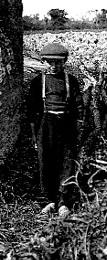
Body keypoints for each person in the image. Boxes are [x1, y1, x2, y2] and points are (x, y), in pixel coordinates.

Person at [28, 42, 83, 218]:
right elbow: (32, 109)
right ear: (44, 62)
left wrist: (79, 127)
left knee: (66, 163)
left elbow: (79, 106)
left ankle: (63, 202)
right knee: (46, 162)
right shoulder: (39, 82)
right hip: (45, 124)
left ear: (65, 61)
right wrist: (33, 133)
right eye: (50, 62)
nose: (54, 66)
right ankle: (48, 201)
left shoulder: (71, 80)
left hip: (66, 125)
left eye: (59, 62)